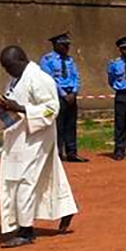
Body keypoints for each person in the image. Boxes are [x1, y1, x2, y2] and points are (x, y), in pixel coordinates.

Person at [0, 46, 78, 247]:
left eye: (9, 65)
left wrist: (21, 108)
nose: (7, 70)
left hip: (36, 137)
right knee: (49, 173)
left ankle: (26, 230)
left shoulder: (40, 78)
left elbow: (51, 110)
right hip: (18, 137)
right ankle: (65, 208)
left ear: (21, 59)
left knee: (25, 180)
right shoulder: (15, 80)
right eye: (4, 67)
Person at [39, 32, 86, 163]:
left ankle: (72, 152)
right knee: (58, 125)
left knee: (71, 124)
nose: (66, 48)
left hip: (71, 94)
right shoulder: (47, 60)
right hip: (57, 96)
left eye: (67, 45)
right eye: (63, 45)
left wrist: (74, 92)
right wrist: (64, 94)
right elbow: (49, 79)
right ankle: (57, 153)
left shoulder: (70, 60)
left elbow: (76, 76)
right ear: (55, 45)